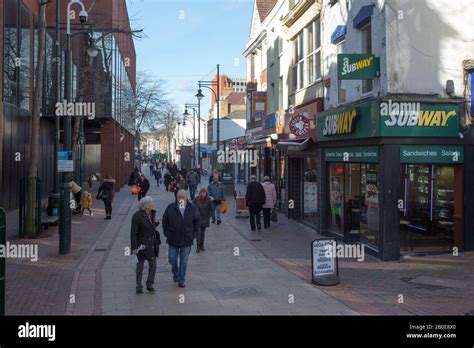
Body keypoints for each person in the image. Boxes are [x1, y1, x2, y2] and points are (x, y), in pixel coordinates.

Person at [162, 190, 200, 288]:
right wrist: (167, 233)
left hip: (187, 239)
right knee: (172, 258)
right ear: (177, 197)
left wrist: (194, 234)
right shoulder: (171, 207)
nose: (181, 199)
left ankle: (181, 280)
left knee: (184, 261)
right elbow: (164, 220)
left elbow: (197, 221)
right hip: (173, 238)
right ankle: (176, 273)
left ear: (186, 197)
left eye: (183, 197)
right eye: (180, 197)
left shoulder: (192, 208)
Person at [131, 196, 161, 294]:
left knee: (153, 264)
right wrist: (134, 248)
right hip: (141, 245)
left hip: (151, 244)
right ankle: (138, 286)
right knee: (140, 266)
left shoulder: (152, 213)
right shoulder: (137, 216)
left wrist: (156, 224)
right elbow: (133, 233)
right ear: (146, 205)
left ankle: (149, 284)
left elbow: (150, 228)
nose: (153, 204)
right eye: (151, 203)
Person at [193, 188, 214, 253]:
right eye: (202, 192)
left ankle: (202, 245)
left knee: (202, 233)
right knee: (198, 233)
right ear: (200, 193)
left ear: (206, 193)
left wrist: (208, 217)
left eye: (204, 192)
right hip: (197, 219)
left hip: (205, 219)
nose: (203, 194)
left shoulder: (209, 200)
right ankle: (198, 246)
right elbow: (192, 206)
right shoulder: (196, 199)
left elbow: (212, 209)